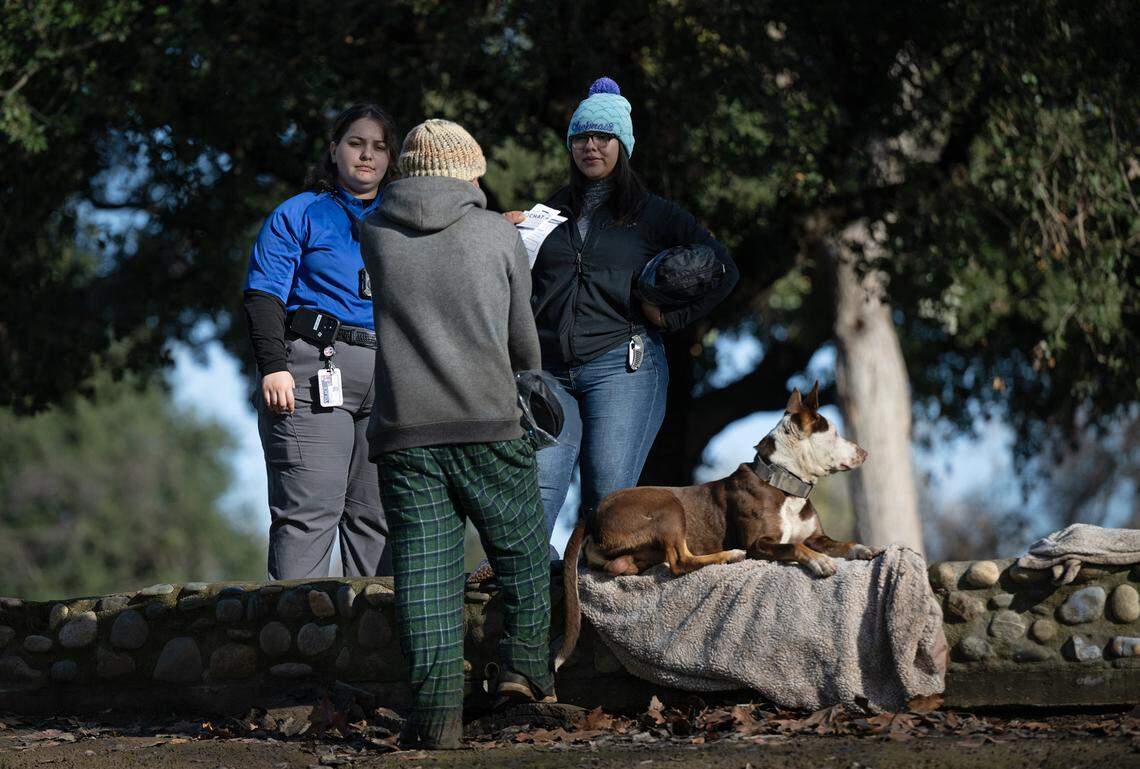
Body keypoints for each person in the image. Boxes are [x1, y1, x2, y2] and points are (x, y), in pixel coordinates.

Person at [360, 119, 553, 749]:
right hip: (487, 422)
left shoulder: (375, 235)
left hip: (405, 433)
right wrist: (529, 377)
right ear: (468, 170)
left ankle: (437, 721)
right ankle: (525, 674)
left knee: (425, 577)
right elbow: (522, 340)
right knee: (522, 553)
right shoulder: (497, 234)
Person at [529, 77, 739, 545]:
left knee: (609, 498)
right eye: (581, 137)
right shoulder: (547, 212)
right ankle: (525, 605)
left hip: (621, 368)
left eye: (603, 138)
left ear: (621, 145)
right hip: (550, 372)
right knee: (536, 489)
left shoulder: (654, 214)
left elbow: (723, 268)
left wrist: (674, 318)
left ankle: (600, 609)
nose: (591, 147)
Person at [243, 103, 399, 580]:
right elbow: (263, 293)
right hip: (314, 372)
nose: (366, 155)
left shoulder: (402, 220)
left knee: (377, 520)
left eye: (379, 147)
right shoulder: (299, 212)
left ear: (392, 159)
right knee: (311, 512)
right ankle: (294, 646)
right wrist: (273, 366)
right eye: (356, 143)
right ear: (334, 150)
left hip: (391, 381)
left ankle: (368, 649)